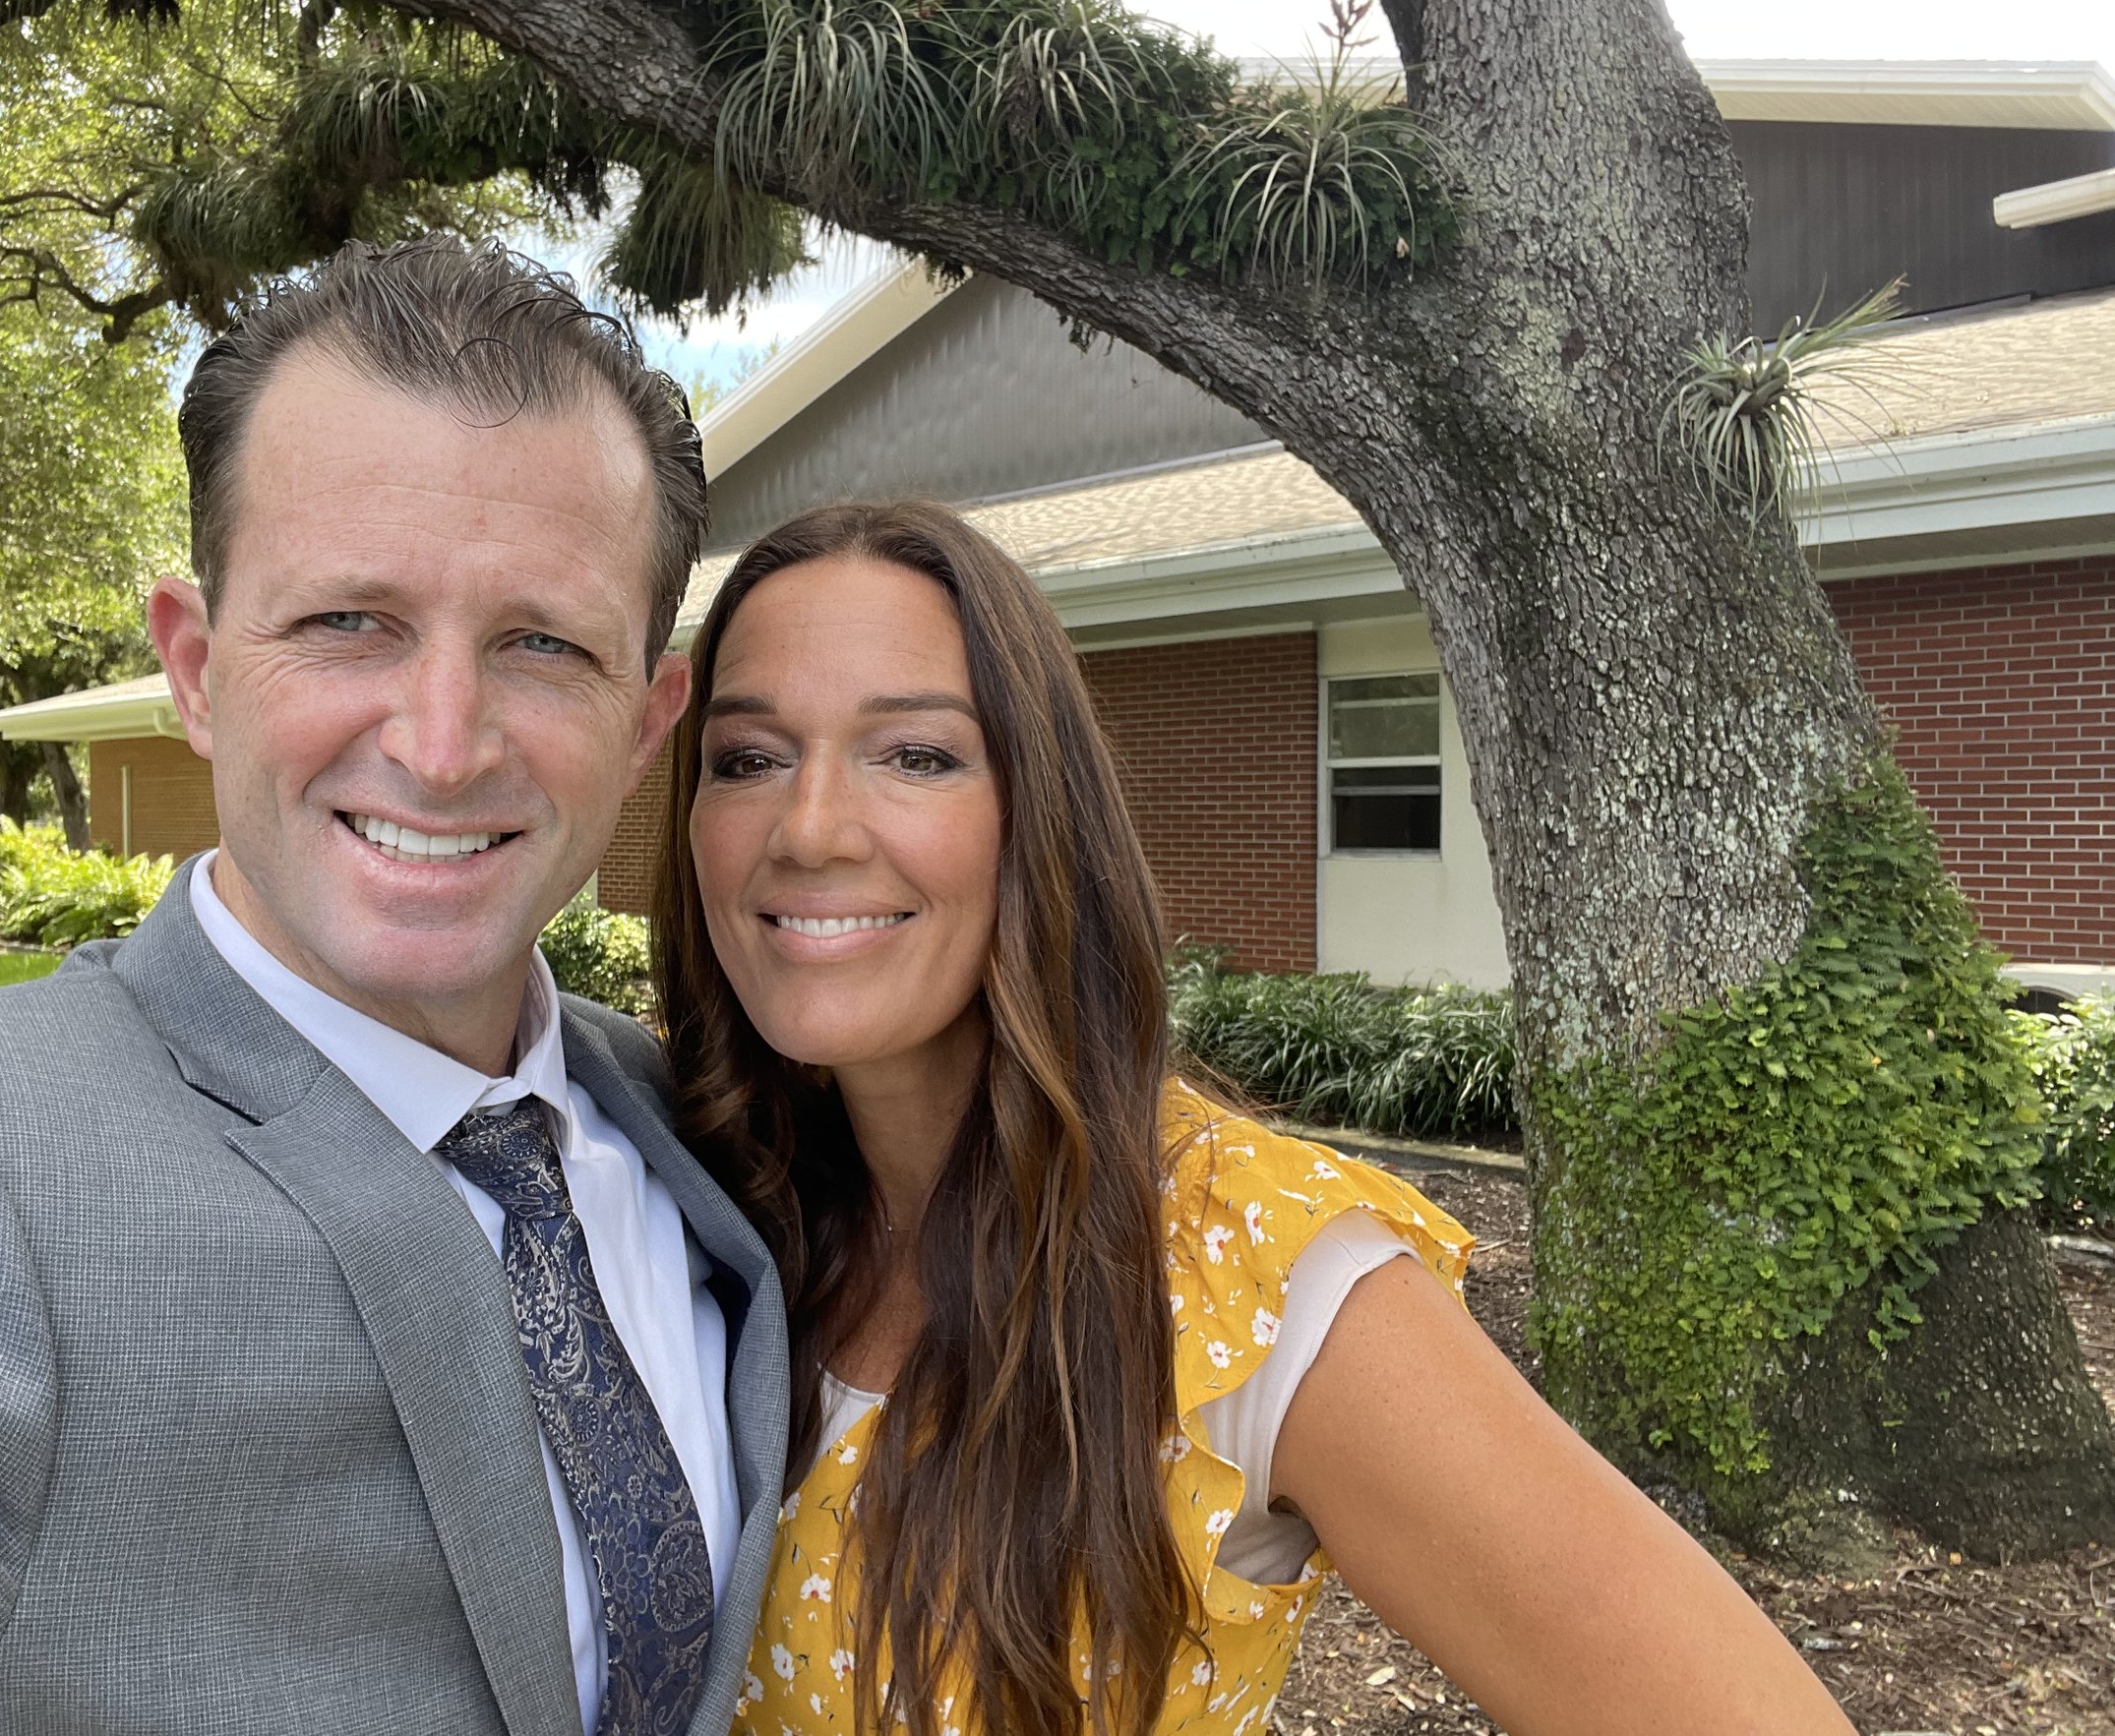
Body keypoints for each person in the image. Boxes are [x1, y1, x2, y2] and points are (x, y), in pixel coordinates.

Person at [0, 238, 784, 1736]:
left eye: (542, 643)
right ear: (194, 669)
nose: (443, 744)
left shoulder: (675, 1111)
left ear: (647, 720)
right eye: (346, 622)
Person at [654, 500, 1856, 1736]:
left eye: (915, 755)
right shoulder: (691, 1200)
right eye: (746, 759)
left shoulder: (1254, 1275)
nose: (808, 828)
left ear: (1040, 815)